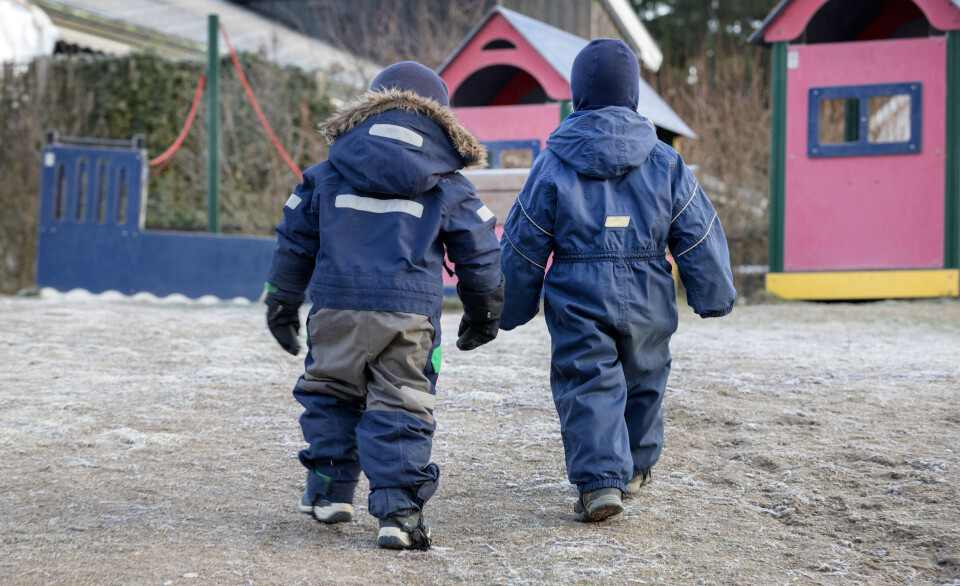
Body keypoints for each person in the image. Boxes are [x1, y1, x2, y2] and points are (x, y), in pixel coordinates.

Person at [263, 61, 504, 550]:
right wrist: (483, 312)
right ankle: (398, 513)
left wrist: (282, 302)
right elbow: (480, 250)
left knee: (331, 394)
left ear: (368, 108)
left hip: (336, 308)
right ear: (440, 119)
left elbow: (294, 241)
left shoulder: (325, 174)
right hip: (408, 315)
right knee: (401, 402)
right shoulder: (448, 182)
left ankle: (328, 492)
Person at [498, 39, 737, 523]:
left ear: (578, 94)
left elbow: (525, 239)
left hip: (577, 288)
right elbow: (697, 229)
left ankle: (600, 481)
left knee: (587, 379)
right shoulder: (665, 161)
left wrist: (508, 303)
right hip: (648, 286)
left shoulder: (554, 161)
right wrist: (713, 292)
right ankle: (636, 467)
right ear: (632, 95)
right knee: (646, 373)